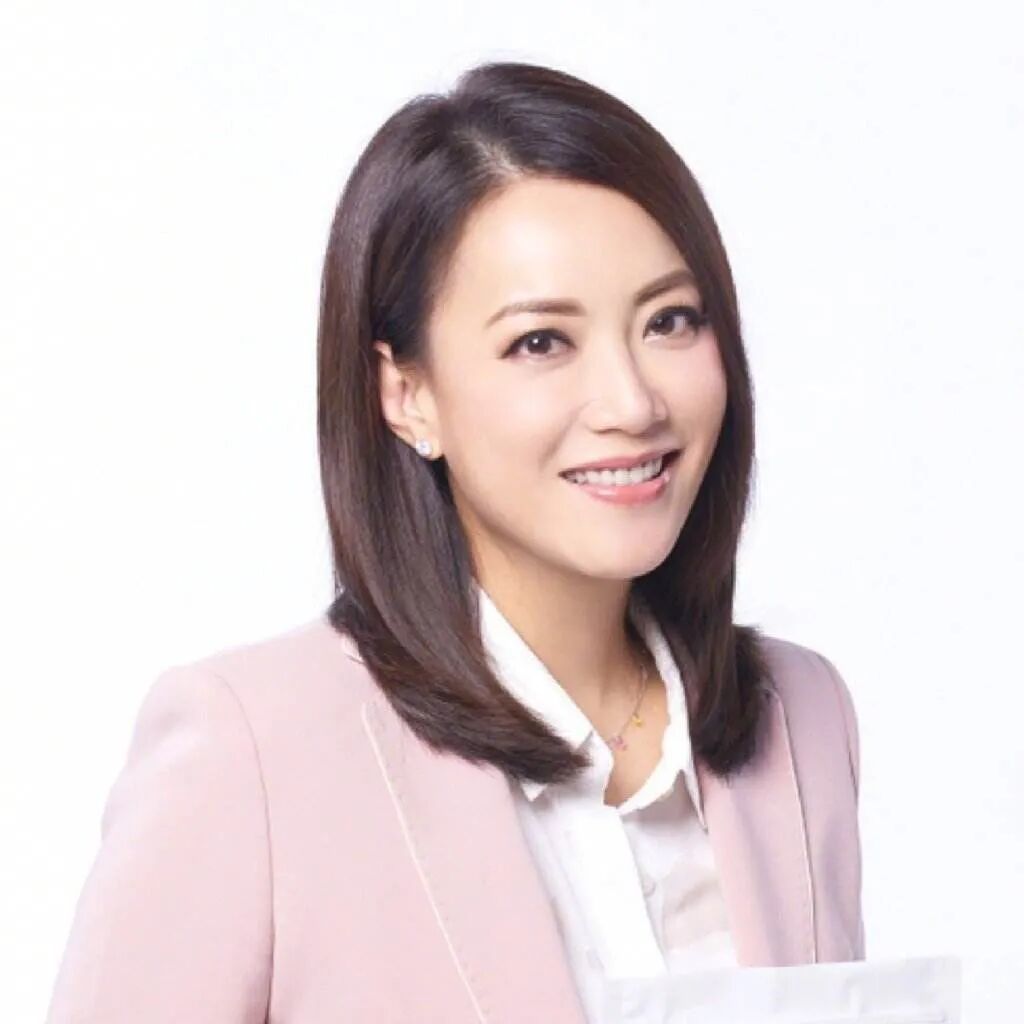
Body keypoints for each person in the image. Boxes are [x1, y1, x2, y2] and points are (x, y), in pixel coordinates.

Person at [45, 60, 863, 1023]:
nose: (632, 402)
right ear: (408, 394)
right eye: (541, 342)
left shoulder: (799, 714)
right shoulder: (251, 750)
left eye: (669, 321)